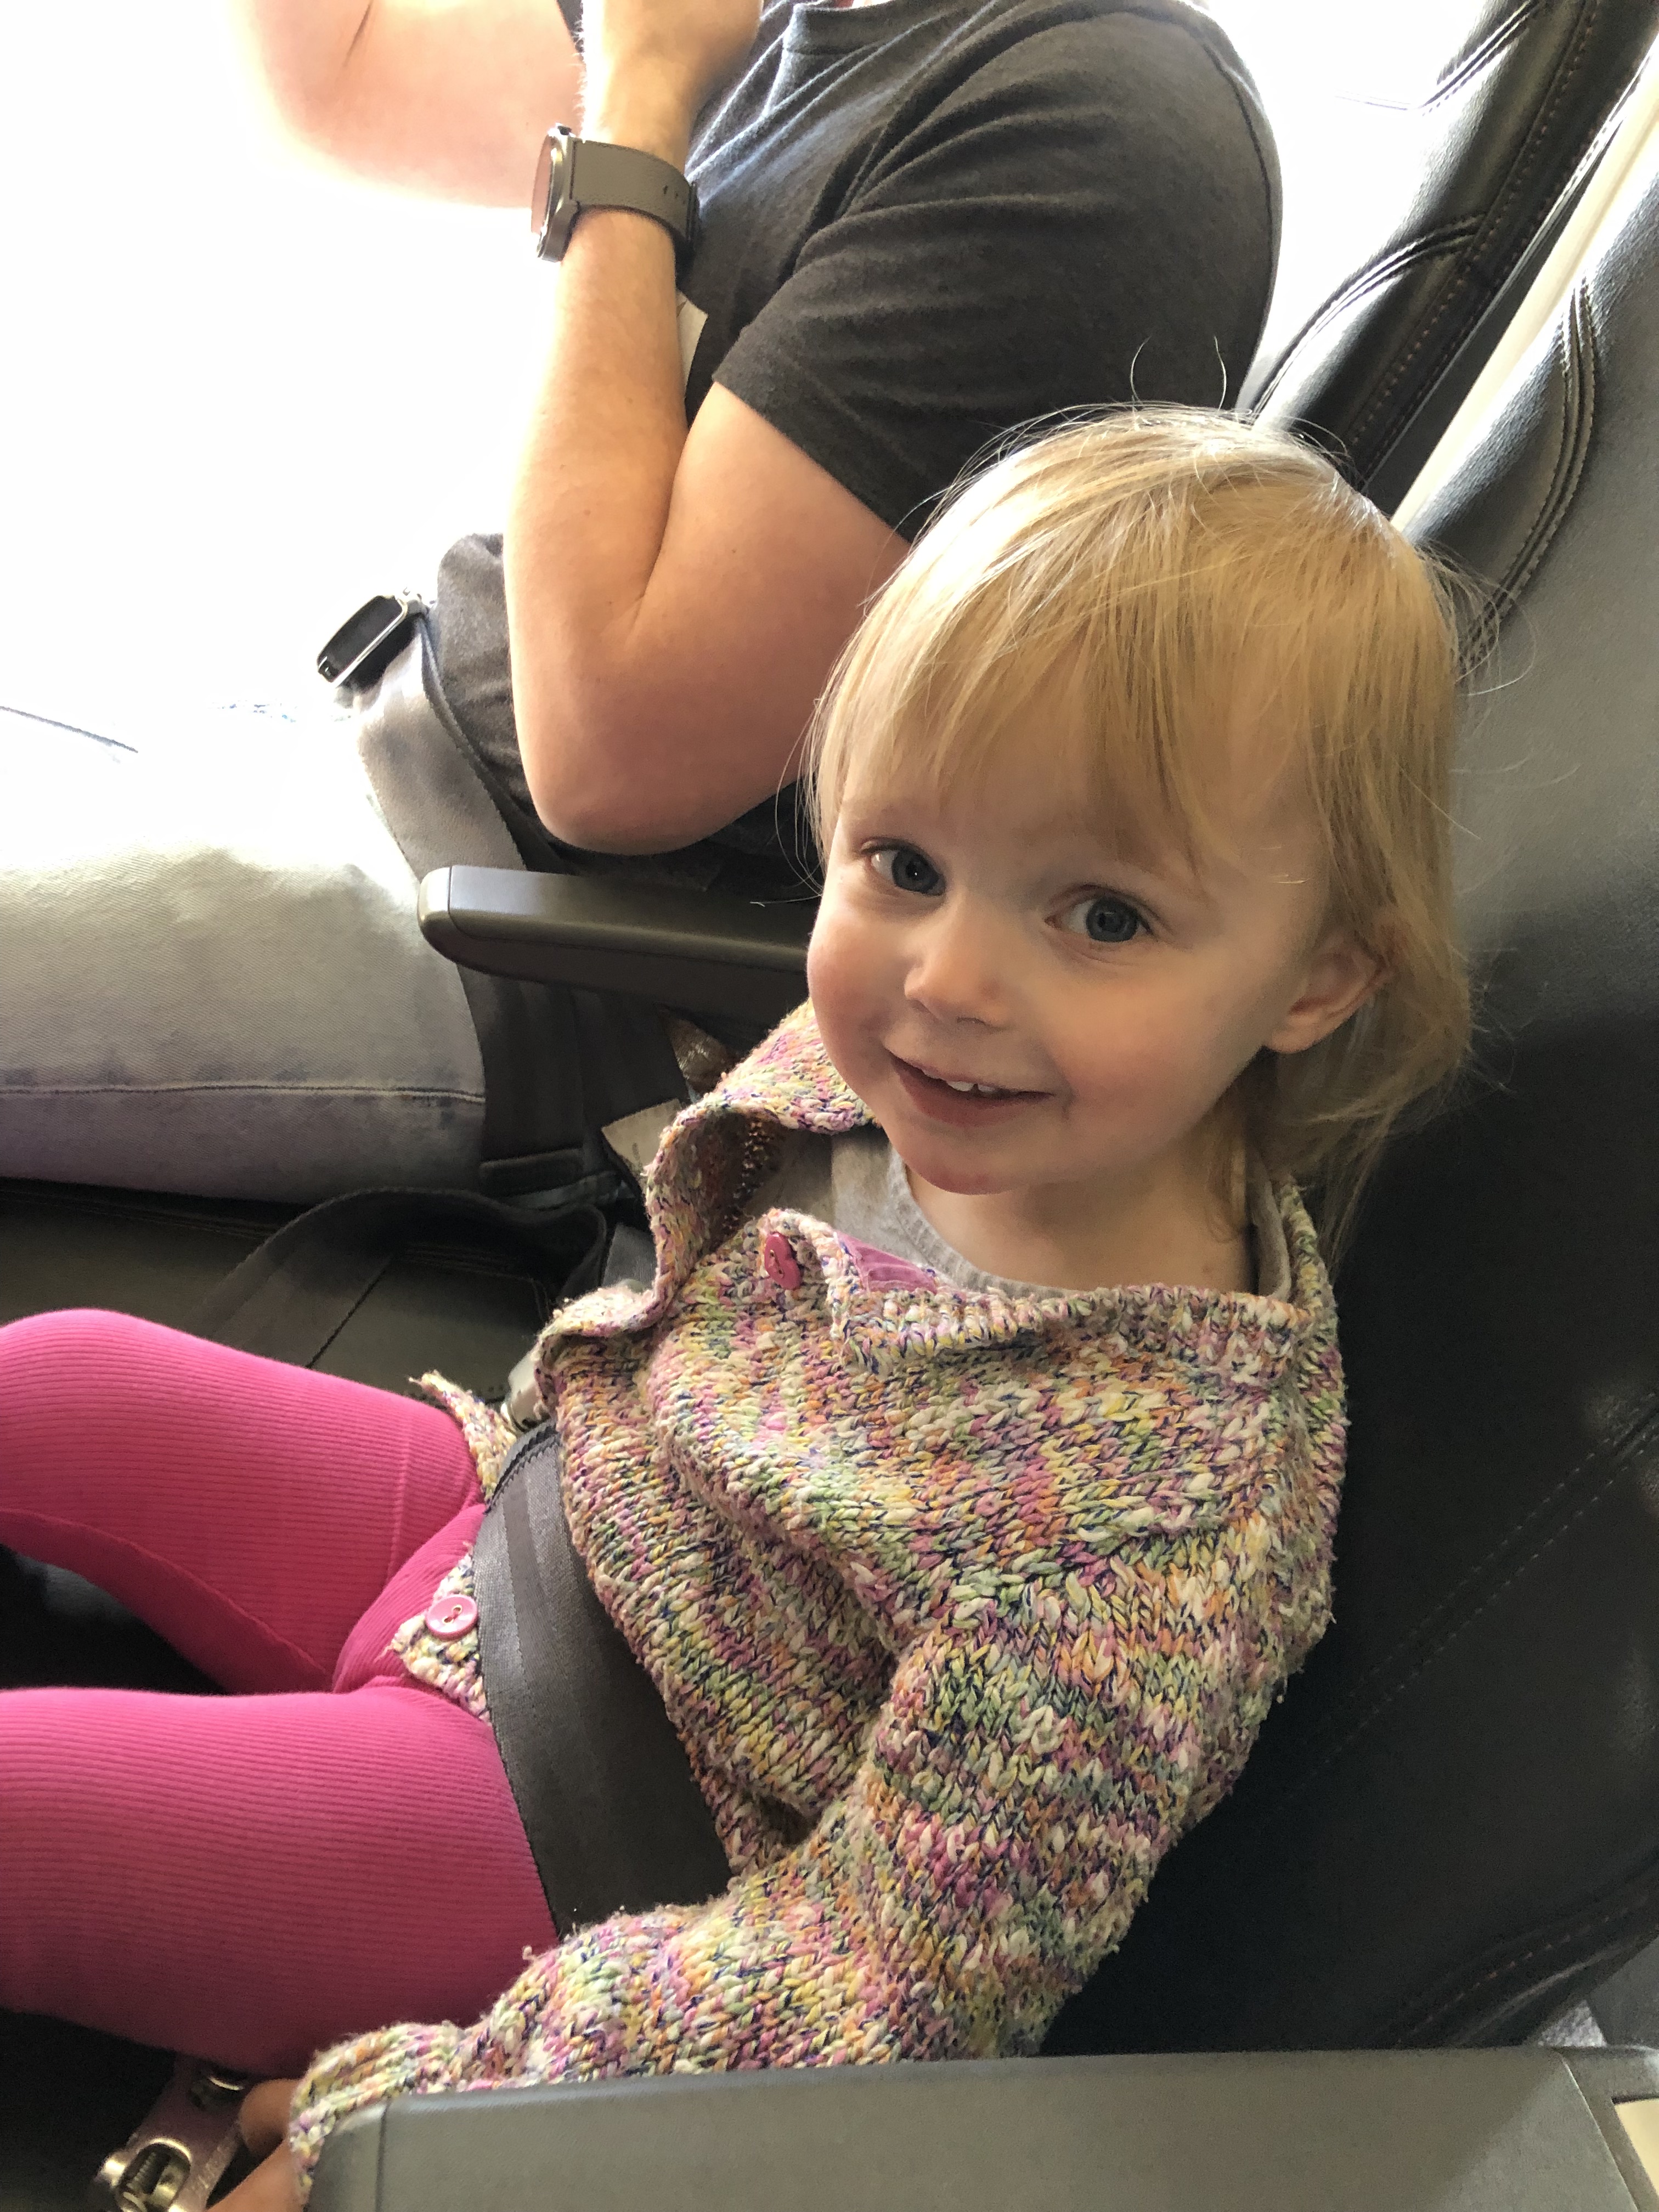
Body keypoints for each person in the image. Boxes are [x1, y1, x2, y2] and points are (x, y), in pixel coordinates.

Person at [0, 409, 1471, 2207]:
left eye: (1102, 916)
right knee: (50, 1377)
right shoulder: (894, 1080)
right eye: (902, 862)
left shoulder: (1152, 1529)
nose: (946, 979)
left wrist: (433, 2120)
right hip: (528, 1519)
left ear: (1318, 974)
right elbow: (678, 1344)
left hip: (555, 1820)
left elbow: (878, 1990)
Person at [0, 0, 1282, 1201]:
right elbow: (332, 88)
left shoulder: (1083, 131)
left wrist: (639, 104)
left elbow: (609, 760)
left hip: (522, 942)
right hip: (376, 746)